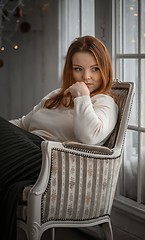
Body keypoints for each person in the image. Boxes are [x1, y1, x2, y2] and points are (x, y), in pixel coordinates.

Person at [0, 35, 118, 240]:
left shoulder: (104, 102)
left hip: (51, 162)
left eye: (95, 69)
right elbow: (22, 124)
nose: (86, 77)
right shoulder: (56, 96)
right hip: (25, 149)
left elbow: (90, 137)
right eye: (78, 69)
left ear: (105, 69)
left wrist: (82, 97)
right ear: (70, 70)